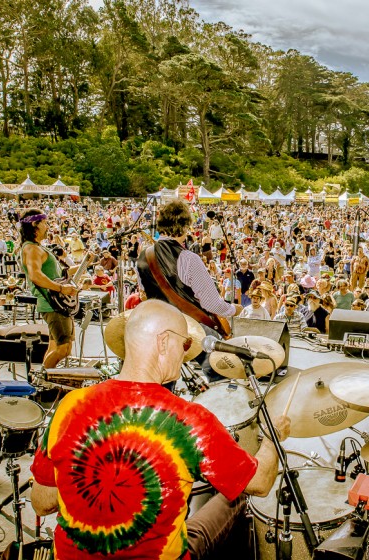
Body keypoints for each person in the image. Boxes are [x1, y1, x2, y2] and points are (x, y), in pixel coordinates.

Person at [30, 300, 290, 559]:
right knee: (235, 500)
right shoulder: (189, 421)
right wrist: (272, 438)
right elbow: (260, 482)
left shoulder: (70, 406)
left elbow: (41, 502)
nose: (186, 352)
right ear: (164, 342)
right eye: (185, 344)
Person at [136, 200, 242, 338]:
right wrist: (234, 309)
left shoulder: (143, 256)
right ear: (185, 226)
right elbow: (211, 304)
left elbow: (143, 294)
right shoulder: (188, 258)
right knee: (220, 356)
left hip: (157, 328)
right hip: (188, 331)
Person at [19, 209, 78, 369]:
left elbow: (57, 274)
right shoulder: (31, 249)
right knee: (63, 349)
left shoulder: (37, 247)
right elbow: (35, 276)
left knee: (53, 346)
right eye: (45, 222)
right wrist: (61, 288)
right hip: (53, 305)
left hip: (54, 304)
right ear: (34, 224)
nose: (48, 226)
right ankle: (43, 380)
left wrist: (85, 265)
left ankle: (47, 383)